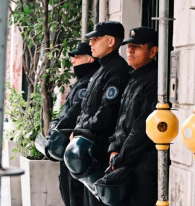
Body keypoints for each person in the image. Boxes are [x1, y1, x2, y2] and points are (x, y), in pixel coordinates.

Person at [71, 21, 130, 206]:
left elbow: (107, 113)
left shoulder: (117, 70)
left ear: (111, 41)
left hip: (101, 146)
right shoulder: (101, 69)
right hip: (89, 147)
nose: (91, 43)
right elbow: (86, 108)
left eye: (96, 39)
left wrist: (82, 129)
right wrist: (79, 128)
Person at [107, 27, 159, 206]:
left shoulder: (155, 81)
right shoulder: (133, 79)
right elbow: (120, 121)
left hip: (143, 165)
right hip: (126, 162)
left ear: (152, 51)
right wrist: (114, 148)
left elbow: (142, 127)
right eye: (128, 46)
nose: (129, 50)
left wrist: (119, 158)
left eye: (136, 46)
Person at [48, 42, 100, 206]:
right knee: (68, 191)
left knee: (75, 194)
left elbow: (73, 113)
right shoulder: (81, 82)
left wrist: (57, 127)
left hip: (77, 148)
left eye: (77, 57)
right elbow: (66, 111)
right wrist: (55, 124)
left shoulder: (87, 83)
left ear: (90, 59)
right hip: (70, 147)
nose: (73, 61)